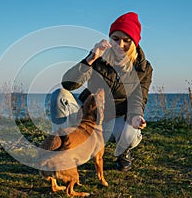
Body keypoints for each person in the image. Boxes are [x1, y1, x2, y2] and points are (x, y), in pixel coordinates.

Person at [50, 12, 153, 171]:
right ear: (110, 39)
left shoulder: (143, 68)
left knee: (132, 132)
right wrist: (90, 58)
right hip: (87, 117)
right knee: (59, 95)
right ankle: (63, 146)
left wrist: (137, 116)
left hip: (115, 120)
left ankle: (123, 151)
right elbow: (68, 84)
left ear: (135, 42)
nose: (120, 45)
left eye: (126, 40)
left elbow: (139, 98)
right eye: (116, 39)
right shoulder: (98, 57)